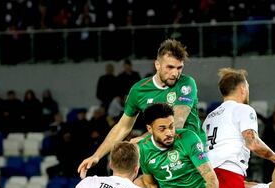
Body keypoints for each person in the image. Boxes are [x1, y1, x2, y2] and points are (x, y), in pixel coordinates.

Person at [78, 40, 205, 179]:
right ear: (157, 64)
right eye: (170, 67)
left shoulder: (186, 83)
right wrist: (97, 156)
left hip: (193, 154)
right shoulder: (139, 90)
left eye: (179, 68)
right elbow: (122, 127)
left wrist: (142, 139)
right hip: (161, 156)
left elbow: (176, 123)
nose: (175, 73)